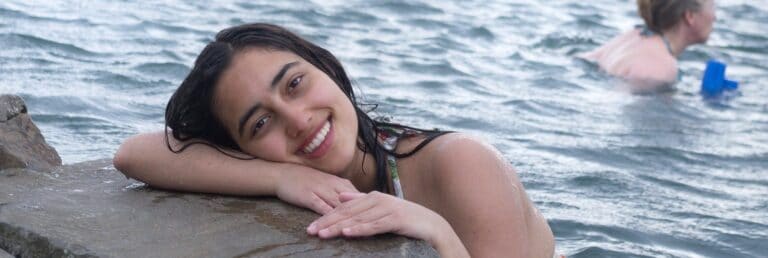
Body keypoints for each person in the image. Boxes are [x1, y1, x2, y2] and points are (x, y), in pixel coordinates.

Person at [113, 23, 555, 257]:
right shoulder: (285, 172)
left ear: (324, 66)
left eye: (295, 84)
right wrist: (280, 178)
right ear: (241, 149)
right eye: (260, 124)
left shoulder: (462, 163)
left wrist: (436, 231)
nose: (298, 120)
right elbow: (134, 154)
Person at [580, 0, 717, 92]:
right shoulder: (661, 66)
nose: (715, 17)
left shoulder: (630, 37)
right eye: (712, 7)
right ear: (690, 16)